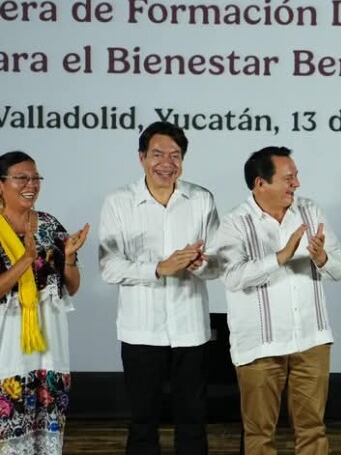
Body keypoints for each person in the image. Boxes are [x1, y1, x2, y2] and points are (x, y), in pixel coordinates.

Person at [211, 146, 341, 455]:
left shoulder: (311, 211)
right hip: (261, 346)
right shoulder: (235, 222)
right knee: (259, 434)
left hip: (311, 340)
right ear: (261, 183)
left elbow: (340, 268)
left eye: (296, 176)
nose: (296, 184)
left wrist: (322, 257)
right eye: (288, 178)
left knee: (313, 430)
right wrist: (280, 257)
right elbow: (232, 275)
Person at [98, 121, 219, 455]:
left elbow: (219, 263)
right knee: (142, 421)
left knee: (193, 420)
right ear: (141, 158)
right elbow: (109, 266)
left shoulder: (201, 199)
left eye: (175, 155)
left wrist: (201, 264)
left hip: (190, 329)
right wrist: (158, 268)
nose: (167, 163)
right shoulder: (119, 202)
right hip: (141, 330)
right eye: (158, 154)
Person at [0, 151, 89, 454]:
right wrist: (25, 259)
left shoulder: (50, 225)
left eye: (36, 178)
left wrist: (71, 259)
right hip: (7, 346)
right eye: (21, 178)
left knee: (47, 438)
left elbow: (72, 287)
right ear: (1, 184)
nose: (31, 184)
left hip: (49, 346)